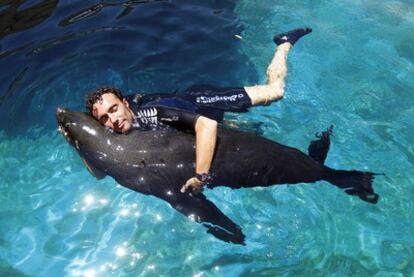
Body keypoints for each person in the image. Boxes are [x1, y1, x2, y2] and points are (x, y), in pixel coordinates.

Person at [82, 28, 312, 194]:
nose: (113, 119)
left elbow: (206, 125)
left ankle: (283, 43)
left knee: (274, 92)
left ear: (125, 103)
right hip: (189, 117)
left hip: (203, 103)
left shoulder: (154, 113)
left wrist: (201, 176)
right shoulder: (115, 128)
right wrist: (77, 143)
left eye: (114, 109)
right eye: (105, 118)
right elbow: (101, 174)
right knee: (255, 134)